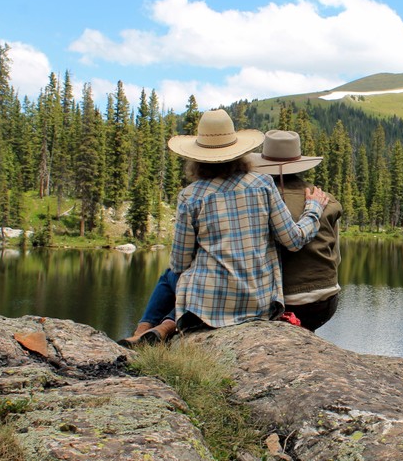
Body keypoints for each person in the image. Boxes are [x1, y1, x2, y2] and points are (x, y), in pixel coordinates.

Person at [118, 109, 328, 345]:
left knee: (169, 276)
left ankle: (142, 331)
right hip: (258, 303)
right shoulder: (263, 184)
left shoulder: (191, 196)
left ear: (198, 158)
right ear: (239, 153)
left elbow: (179, 263)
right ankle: (160, 328)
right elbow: (293, 240)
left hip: (208, 307)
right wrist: (313, 209)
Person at [248, 130, 343, 332]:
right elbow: (337, 258)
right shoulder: (324, 198)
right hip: (326, 299)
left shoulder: (259, 199)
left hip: (285, 301)